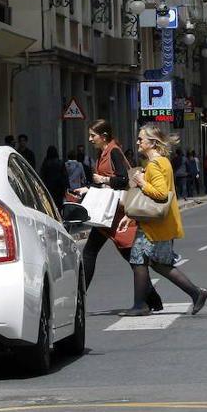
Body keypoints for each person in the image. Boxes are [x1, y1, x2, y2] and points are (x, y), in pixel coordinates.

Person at [122, 125, 207, 317]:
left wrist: (142, 182)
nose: (138, 142)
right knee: (153, 262)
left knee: (142, 260)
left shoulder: (154, 165)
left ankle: (142, 305)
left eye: (141, 139)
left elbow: (161, 194)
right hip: (157, 223)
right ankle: (194, 293)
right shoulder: (162, 162)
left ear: (152, 143)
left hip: (154, 225)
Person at [79, 119, 164, 312]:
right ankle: (153, 300)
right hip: (108, 214)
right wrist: (88, 188)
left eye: (93, 135)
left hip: (116, 214)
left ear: (104, 137)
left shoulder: (114, 152)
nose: (90, 139)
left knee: (131, 258)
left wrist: (103, 179)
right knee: (91, 252)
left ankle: (156, 299)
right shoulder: (105, 152)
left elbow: (123, 179)